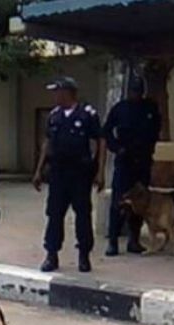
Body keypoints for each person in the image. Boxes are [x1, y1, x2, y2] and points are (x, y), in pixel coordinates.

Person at [33, 77, 106, 273]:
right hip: (58, 172)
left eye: (57, 91)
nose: (55, 95)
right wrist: (39, 170)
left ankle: (84, 255)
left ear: (67, 92)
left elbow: (99, 142)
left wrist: (100, 171)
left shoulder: (87, 114)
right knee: (54, 214)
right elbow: (47, 143)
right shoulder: (54, 116)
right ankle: (51, 254)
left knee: (82, 215)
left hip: (80, 173)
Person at [103, 78, 162, 256]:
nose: (137, 94)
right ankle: (113, 241)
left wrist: (150, 147)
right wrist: (116, 148)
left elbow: (156, 129)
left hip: (142, 160)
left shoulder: (150, 108)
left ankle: (134, 240)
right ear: (129, 91)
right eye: (134, 91)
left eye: (139, 90)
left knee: (140, 202)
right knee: (118, 202)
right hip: (125, 160)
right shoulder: (120, 108)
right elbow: (106, 131)